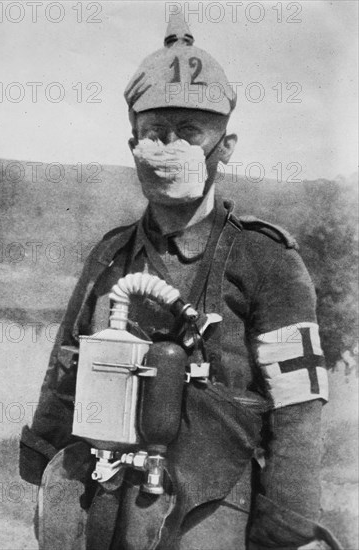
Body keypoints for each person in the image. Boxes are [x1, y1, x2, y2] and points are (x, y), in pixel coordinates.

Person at [19, 14, 341, 550]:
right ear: (132, 144)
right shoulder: (111, 254)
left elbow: (298, 406)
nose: (169, 150)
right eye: (154, 133)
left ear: (226, 145)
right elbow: (66, 367)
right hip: (104, 494)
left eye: (190, 133)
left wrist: (286, 522)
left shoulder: (266, 258)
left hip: (211, 502)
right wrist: (43, 463)